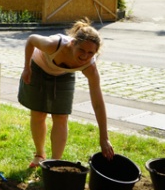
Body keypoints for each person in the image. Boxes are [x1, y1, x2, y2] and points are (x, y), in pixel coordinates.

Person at [18, 18, 114, 168]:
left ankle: (55, 163)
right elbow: (31, 40)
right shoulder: (53, 44)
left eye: (90, 53)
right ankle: (39, 155)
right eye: (81, 50)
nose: (84, 56)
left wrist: (104, 138)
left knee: (61, 116)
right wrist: (26, 68)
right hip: (39, 66)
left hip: (63, 74)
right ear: (72, 43)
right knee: (38, 113)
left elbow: (97, 103)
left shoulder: (90, 67)